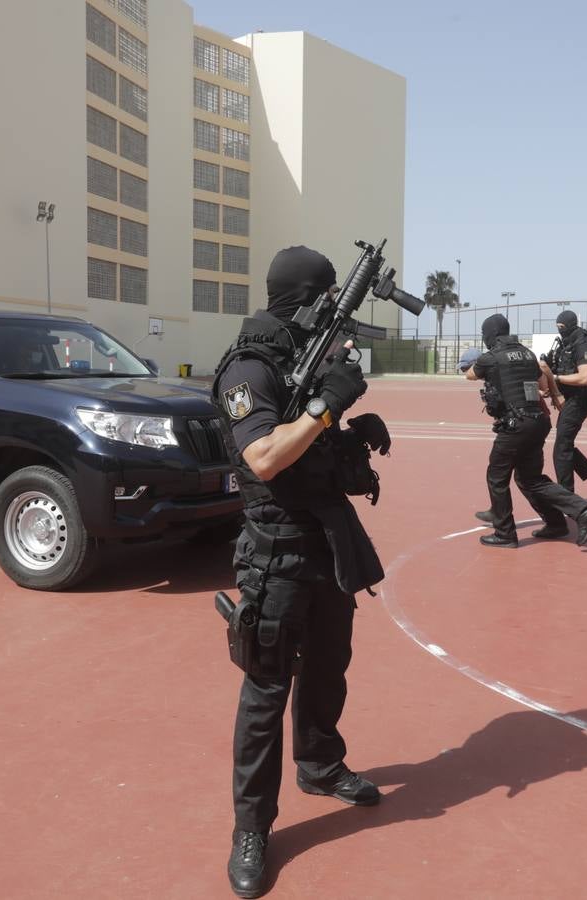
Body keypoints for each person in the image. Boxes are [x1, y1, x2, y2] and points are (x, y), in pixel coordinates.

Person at [211, 245, 391, 898]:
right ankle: (251, 828)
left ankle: (319, 764)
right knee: (265, 693)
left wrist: (349, 431)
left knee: (326, 666)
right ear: (306, 299)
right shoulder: (250, 368)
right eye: (326, 300)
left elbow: (312, 448)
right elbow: (262, 456)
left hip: (327, 542)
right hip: (274, 550)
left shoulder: (299, 361)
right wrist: (323, 409)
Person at [463, 314, 587, 548]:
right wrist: (555, 394)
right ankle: (566, 519)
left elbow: (470, 374)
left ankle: (505, 533)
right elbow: (544, 380)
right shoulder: (528, 354)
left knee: (497, 478)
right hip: (537, 423)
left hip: (515, 425)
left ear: (490, 334)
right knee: (530, 479)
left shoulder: (492, 357)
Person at [542, 310, 587, 502]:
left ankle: (567, 498)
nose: (560, 331)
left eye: (562, 327)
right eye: (558, 328)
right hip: (568, 399)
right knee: (564, 446)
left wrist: (554, 377)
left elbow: (584, 378)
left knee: (561, 449)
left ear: (570, 325)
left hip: (579, 399)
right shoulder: (564, 343)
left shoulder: (584, 343)